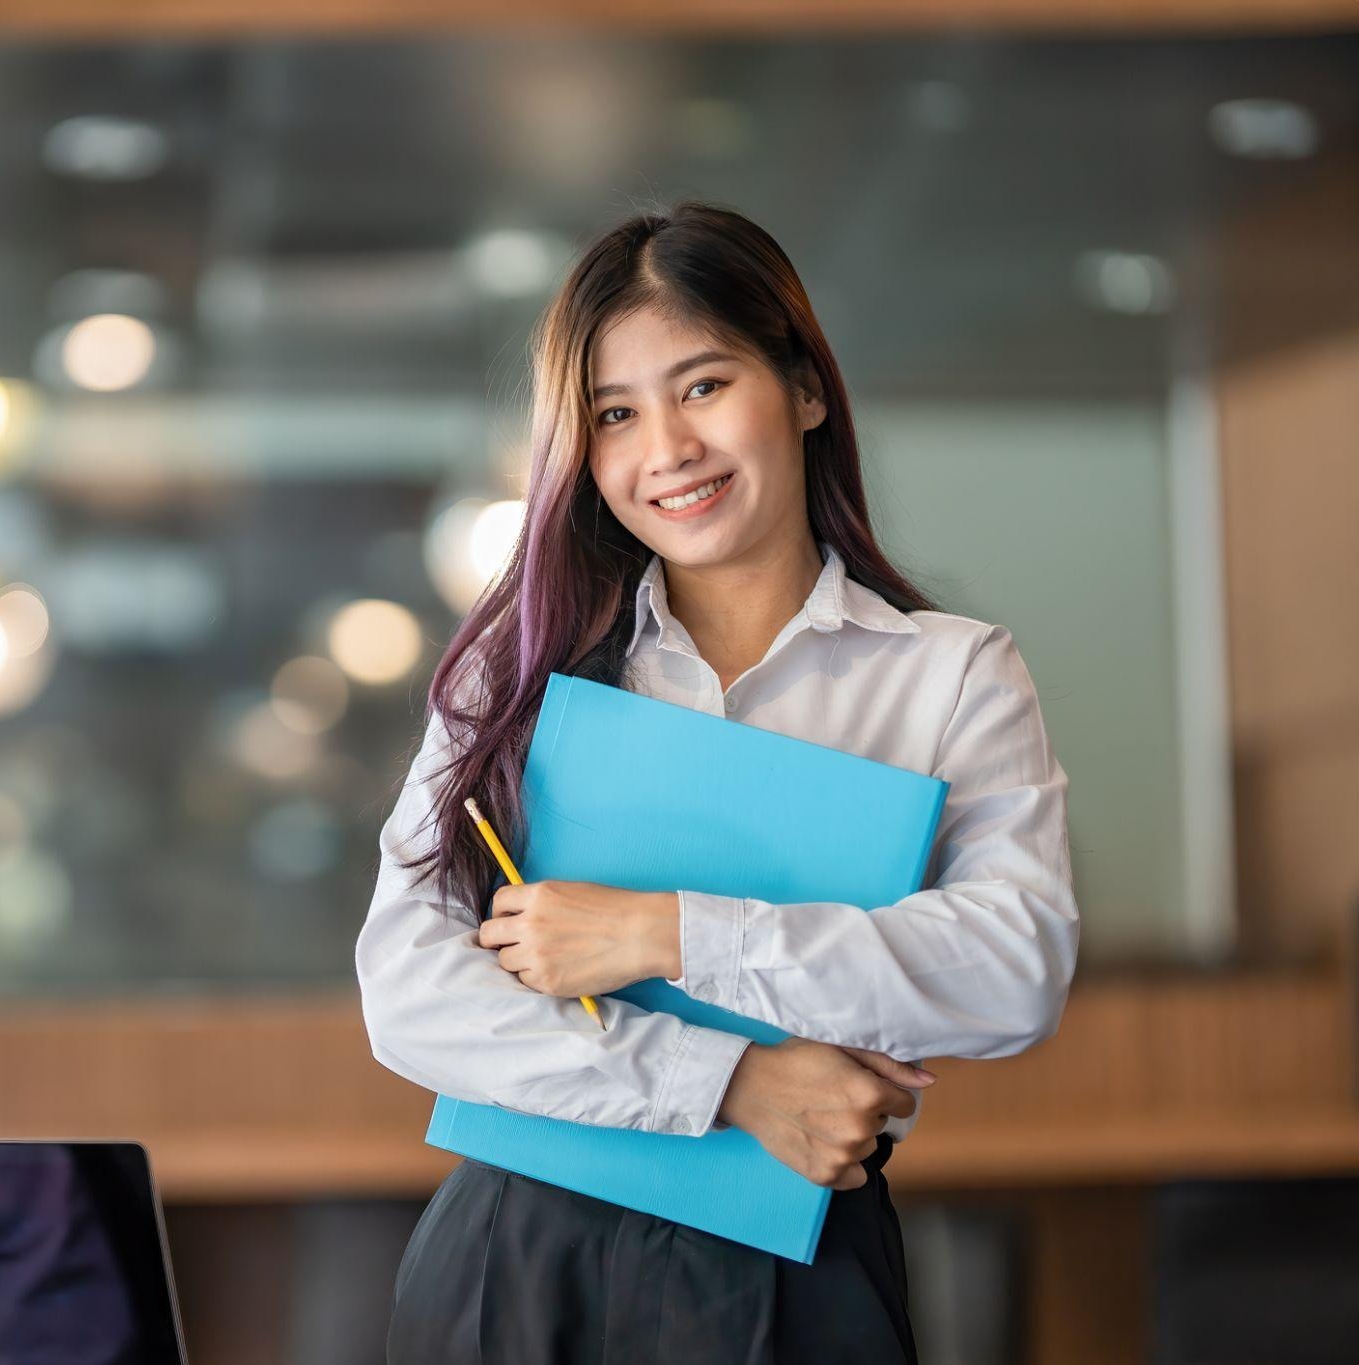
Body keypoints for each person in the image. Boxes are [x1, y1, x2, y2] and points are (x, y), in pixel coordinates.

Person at [356, 199, 1080, 1363]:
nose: (666, 451)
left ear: (801, 389)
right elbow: (409, 992)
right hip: (517, 1263)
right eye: (613, 414)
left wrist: (666, 933)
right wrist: (727, 1080)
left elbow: (1010, 969)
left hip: (800, 1268)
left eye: (701, 387)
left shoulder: (948, 675)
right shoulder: (518, 672)